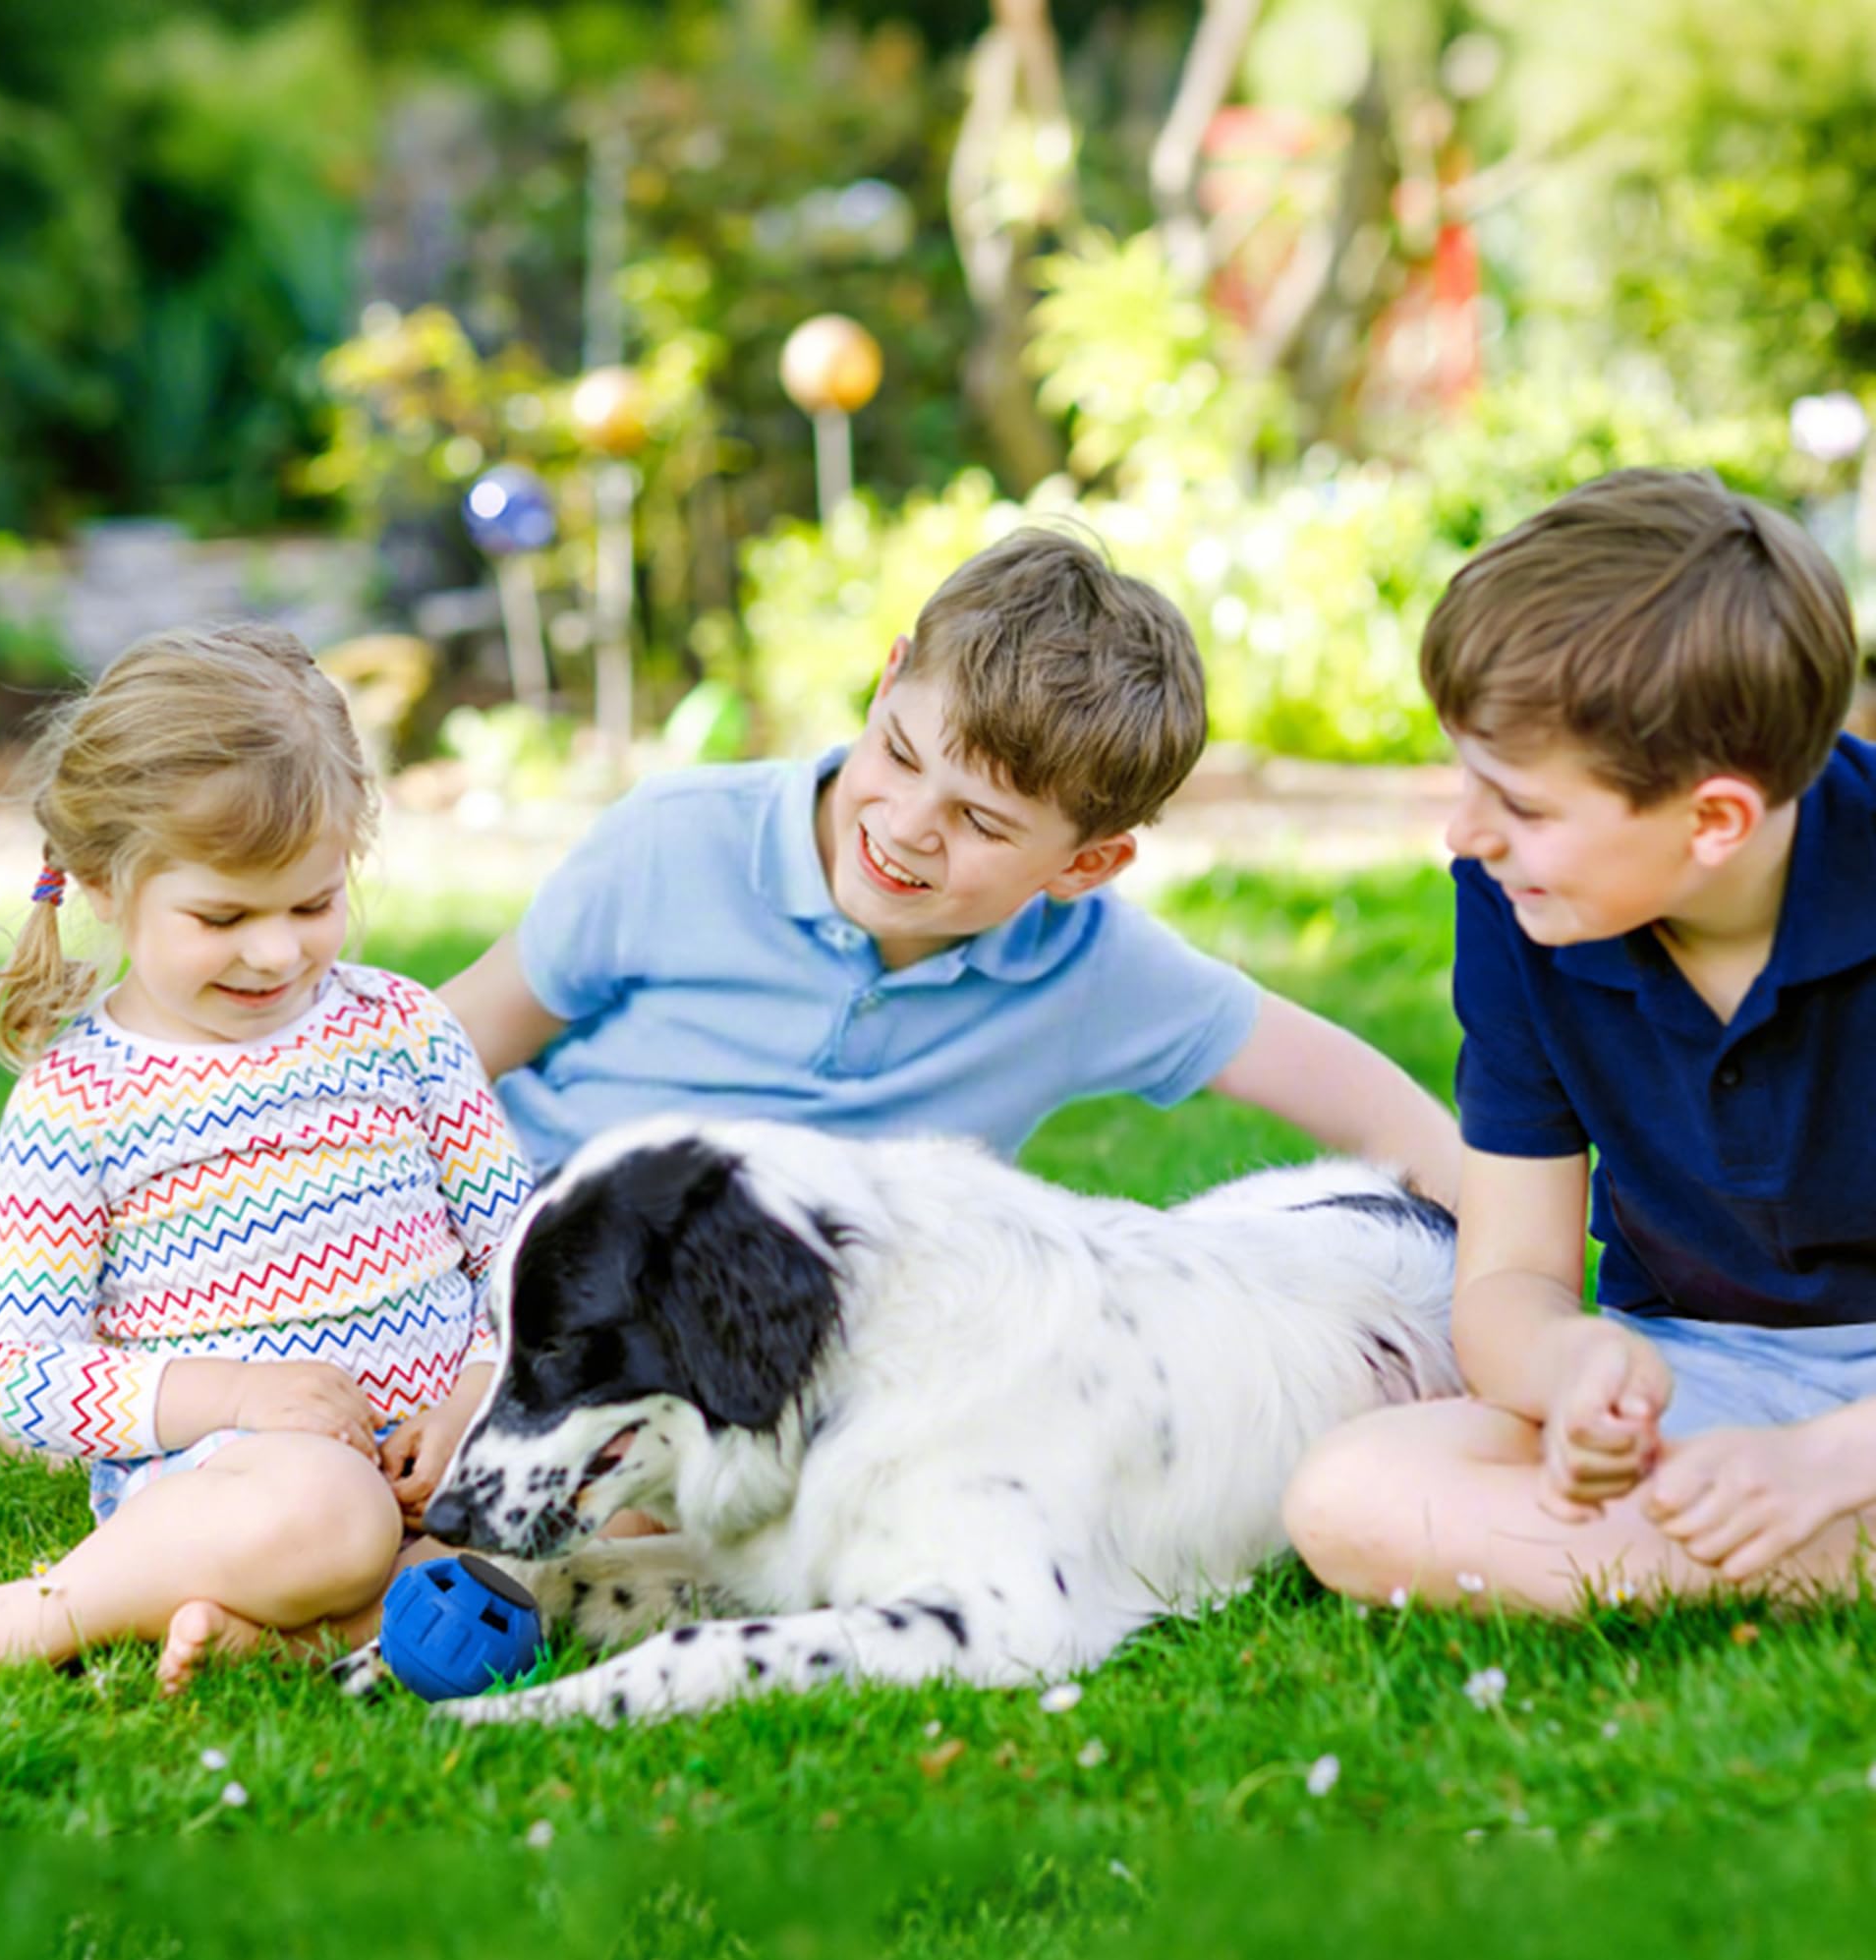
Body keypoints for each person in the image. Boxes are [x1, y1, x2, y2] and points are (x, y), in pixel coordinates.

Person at [441, 528, 1460, 1205]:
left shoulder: (1091, 970)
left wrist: (1520, 1266)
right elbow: (441, 1047)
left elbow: (1374, 1105)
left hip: (766, 1339)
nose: (906, 823)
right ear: (888, 678)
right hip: (531, 1244)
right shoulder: (677, 840)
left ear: (1085, 863)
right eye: (897, 753)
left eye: (978, 818)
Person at [1282, 467, 1876, 1614]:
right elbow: (1510, 1277)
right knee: (1349, 1492)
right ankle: (1818, 1561)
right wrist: (1570, 1367)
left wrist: (1827, 1460)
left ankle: (1783, 1539)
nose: (1465, 831)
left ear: (1713, 819)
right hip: (1706, 1379)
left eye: (1523, 804)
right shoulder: (1514, 902)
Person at [0, 624, 529, 1691]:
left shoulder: (405, 1030)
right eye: (223, 914)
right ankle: (32, 1613)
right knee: (330, 1512)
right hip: (238, 1478)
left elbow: (517, 1250)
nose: (278, 950)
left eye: (313, 902)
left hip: (445, 1455)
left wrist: (480, 1384)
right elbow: (28, 1372)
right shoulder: (80, 1098)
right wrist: (240, 1397)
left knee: (618, 1504)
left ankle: (283, 1635)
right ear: (104, 883)